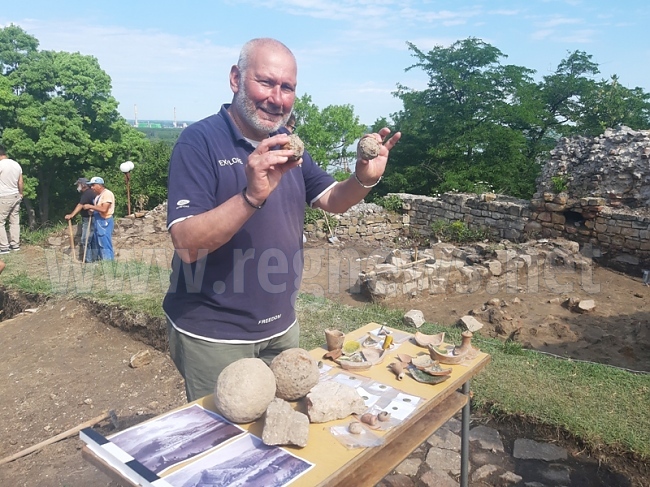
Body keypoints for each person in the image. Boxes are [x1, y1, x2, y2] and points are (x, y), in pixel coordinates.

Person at [164, 37, 401, 402]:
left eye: (287, 87)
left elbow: (332, 199)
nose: (277, 98)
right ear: (235, 79)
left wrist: (364, 178)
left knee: (283, 430)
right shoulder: (199, 143)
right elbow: (187, 245)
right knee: (226, 442)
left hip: (281, 326)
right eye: (266, 82)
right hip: (214, 334)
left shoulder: (287, 141)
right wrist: (251, 196)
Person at [82, 177, 115, 261]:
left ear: (99, 185)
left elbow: (104, 209)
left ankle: (109, 262)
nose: (91, 187)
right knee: (99, 243)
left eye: (93, 185)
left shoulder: (107, 194)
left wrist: (90, 206)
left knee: (105, 243)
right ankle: (102, 261)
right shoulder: (98, 196)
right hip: (98, 221)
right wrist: (93, 210)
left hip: (105, 221)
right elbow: (99, 207)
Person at [65, 178, 96, 261]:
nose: (77, 187)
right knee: (90, 239)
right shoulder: (87, 193)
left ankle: (89, 260)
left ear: (83, 185)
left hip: (90, 218)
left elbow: (80, 205)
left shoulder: (87, 193)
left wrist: (72, 215)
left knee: (85, 239)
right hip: (88, 218)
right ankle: (92, 259)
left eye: (78, 185)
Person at [0, 145, 24, 254]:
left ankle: (4, 247)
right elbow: (20, 182)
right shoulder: (16, 164)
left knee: (0, 221)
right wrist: (20, 193)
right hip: (15, 195)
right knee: (14, 221)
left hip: (4, 196)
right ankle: (15, 245)